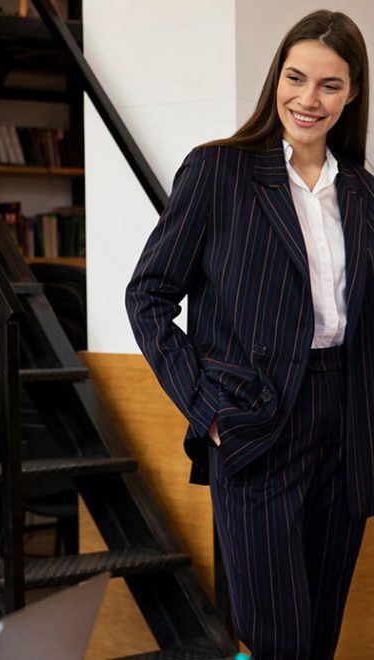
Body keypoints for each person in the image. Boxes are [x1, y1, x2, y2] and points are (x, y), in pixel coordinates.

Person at [126, 10, 373, 660]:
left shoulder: (363, 194)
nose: (308, 99)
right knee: (275, 639)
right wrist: (208, 411)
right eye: (296, 78)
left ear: (351, 94)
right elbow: (147, 295)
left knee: (318, 637)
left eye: (329, 85)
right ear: (276, 80)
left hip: (346, 424)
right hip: (256, 419)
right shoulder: (219, 172)